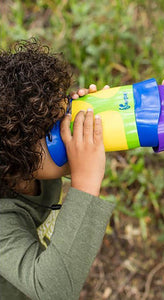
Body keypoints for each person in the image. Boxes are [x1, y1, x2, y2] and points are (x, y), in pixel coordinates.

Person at [0, 39, 115, 299]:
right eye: (51, 130)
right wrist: (85, 182)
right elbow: (54, 290)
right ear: (13, 161)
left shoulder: (33, 167)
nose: (67, 126)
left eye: (63, 110)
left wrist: (105, 112)